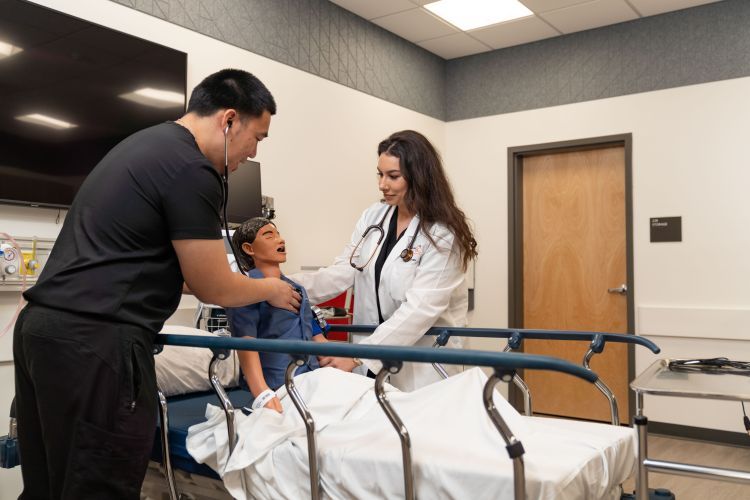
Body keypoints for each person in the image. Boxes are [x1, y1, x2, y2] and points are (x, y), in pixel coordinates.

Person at [12, 69, 301, 500]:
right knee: (98, 487)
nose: (253, 151)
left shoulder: (145, 146)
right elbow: (214, 288)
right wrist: (269, 289)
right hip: (97, 344)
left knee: (48, 486)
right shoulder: (191, 169)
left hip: (43, 332)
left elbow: (149, 261)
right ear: (228, 120)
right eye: (257, 137)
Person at [292, 130, 477, 391]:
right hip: (370, 360)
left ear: (419, 178)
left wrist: (359, 355)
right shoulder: (374, 217)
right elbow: (345, 270)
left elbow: (420, 308)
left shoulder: (442, 234)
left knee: (415, 427)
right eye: (380, 174)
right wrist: (285, 285)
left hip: (421, 365)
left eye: (393, 176)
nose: (382, 185)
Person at [225, 217, 328, 414]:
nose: (280, 240)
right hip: (279, 385)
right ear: (249, 249)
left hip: (313, 379)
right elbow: (245, 344)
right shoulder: (244, 289)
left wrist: (350, 359)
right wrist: (262, 392)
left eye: (279, 234)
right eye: (269, 235)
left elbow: (317, 339)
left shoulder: (297, 289)